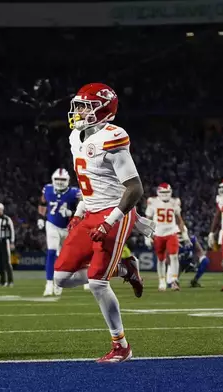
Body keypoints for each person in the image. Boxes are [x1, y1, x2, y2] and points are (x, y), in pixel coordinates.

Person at [54, 83, 154, 363]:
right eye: (78, 105)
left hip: (114, 213)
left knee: (97, 282)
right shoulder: (77, 136)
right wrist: (79, 212)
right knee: (61, 278)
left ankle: (121, 346)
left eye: (85, 106)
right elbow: (90, 183)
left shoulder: (113, 138)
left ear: (103, 110)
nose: (78, 111)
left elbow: (134, 189)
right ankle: (124, 267)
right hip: (91, 211)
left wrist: (109, 223)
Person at [37, 169, 81, 296]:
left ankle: (58, 283)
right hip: (52, 224)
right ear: (53, 180)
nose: (60, 182)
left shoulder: (75, 193)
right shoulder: (48, 189)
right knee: (51, 252)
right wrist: (40, 217)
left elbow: (83, 208)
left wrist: (72, 213)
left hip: (68, 227)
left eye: (62, 180)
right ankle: (49, 283)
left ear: (68, 180)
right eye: (57, 179)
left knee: (63, 257)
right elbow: (42, 203)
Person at [144, 183, 190, 291]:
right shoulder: (153, 202)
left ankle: (174, 281)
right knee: (161, 259)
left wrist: (184, 234)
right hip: (158, 234)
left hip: (171, 232)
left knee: (174, 257)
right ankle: (162, 281)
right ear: (158, 193)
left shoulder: (175, 202)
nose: (165, 194)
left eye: (167, 192)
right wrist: (147, 236)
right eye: (163, 192)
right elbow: (148, 220)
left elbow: (179, 220)